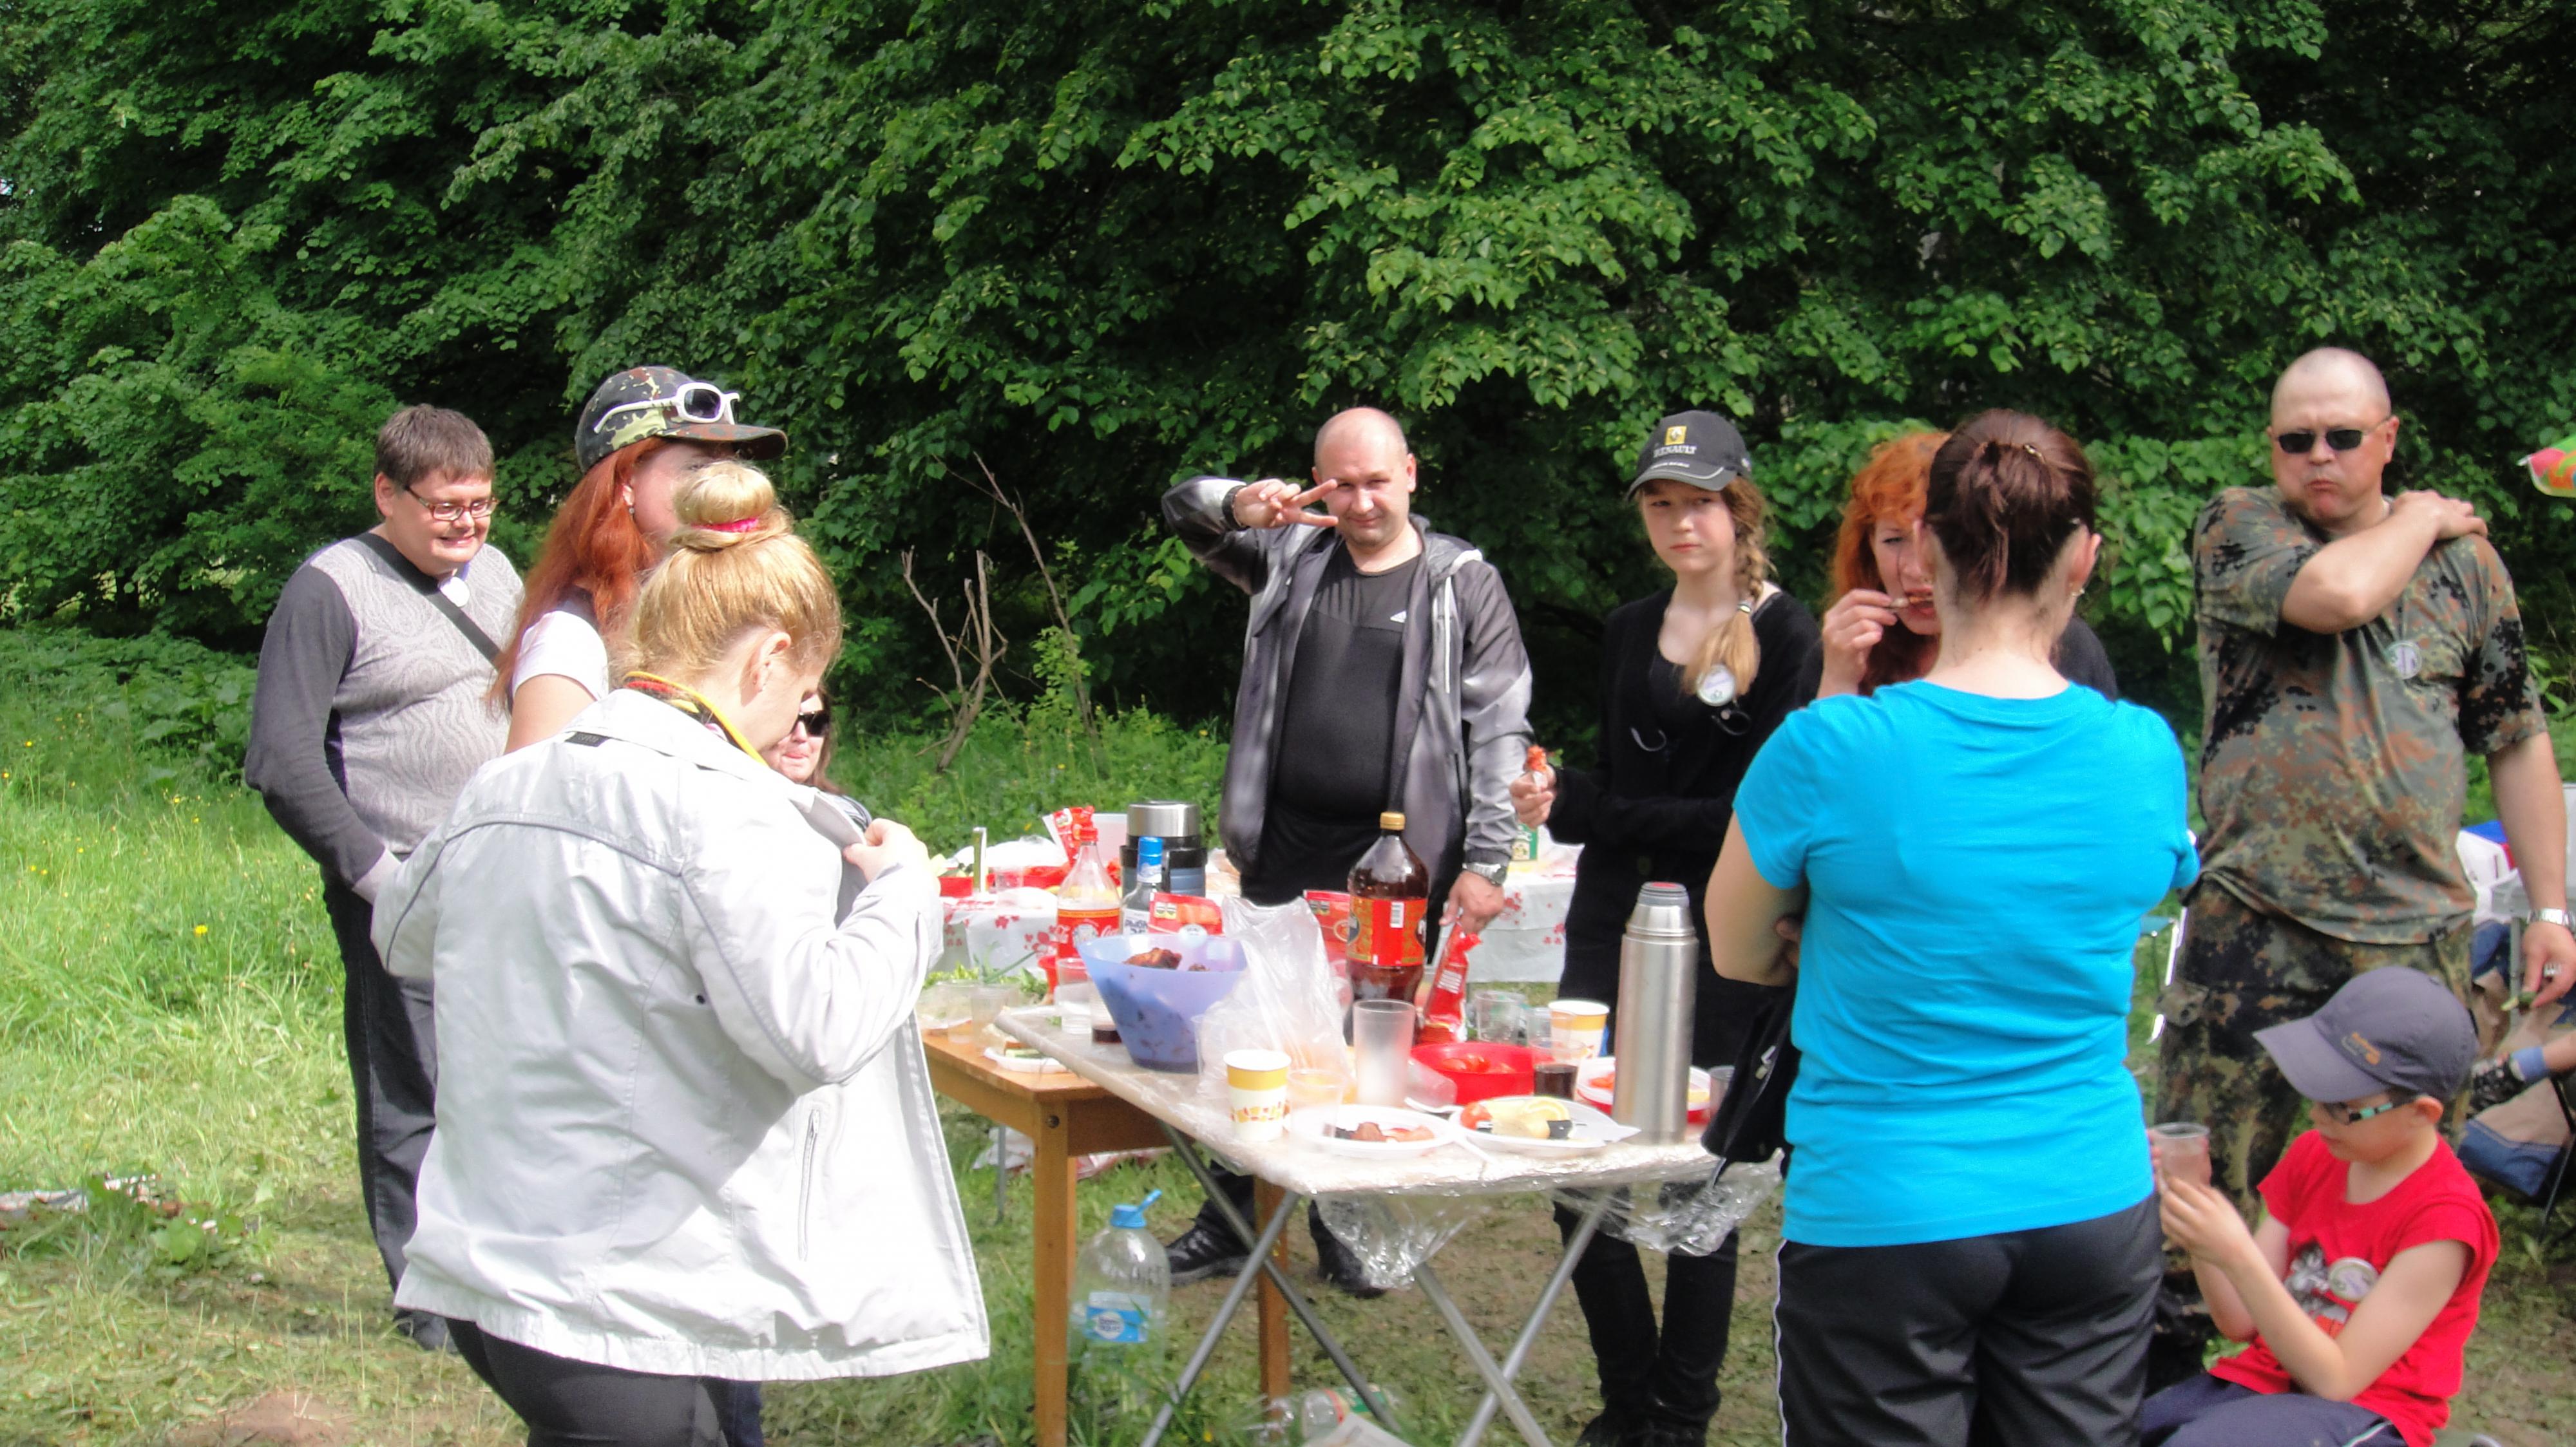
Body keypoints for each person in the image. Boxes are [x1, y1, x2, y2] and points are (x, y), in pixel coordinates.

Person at [374, 462, 985, 1444]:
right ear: (768, 658)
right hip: (615, 1305)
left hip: (488, 1267)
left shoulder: (509, 783)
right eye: (804, 692)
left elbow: (402, 934)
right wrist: (903, 891)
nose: (800, 720)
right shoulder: (726, 811)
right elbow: (818, 1029)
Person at [1705, 410, 2199, 1446]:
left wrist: (1828, 927)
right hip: (2086, 1193)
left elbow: (1738, 946)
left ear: (1924, 548)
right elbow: (2132, 889)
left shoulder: (1829, 745)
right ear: (2083, 557)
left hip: (1886, 1198)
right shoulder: (2143, 750)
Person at [2151, 346, 2571, 1383]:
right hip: (2253, 925)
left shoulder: (2465, 572)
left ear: (2386, 438)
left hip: (2410, 942)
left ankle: (2359, 1407)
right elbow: (2335, 594)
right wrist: (2420, 516)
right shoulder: (2238, 525)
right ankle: (2165, 1402)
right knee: (2196, 1204)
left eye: (2343, 435)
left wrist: (2550, 909)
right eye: (2295, 438)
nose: (2318, 455)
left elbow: (2514, 736)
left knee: (2401, 1210)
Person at [1159, 406, 1533, 1295]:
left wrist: (1488, 861)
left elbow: (1499, 725)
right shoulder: (1288, 556)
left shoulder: (1460, 582)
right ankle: (1229, 1218)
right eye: (1343, 485)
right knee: (1255, 1036)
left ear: (1411, 473)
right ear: (1318, 486)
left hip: (1395, 865)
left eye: (1378, 482)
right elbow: (1182, 512)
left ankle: (1345, 1221)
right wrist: (1244, 504)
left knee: (1367, 1045)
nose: (1362, 503)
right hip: (1280, 845)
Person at [1507, 411, 1821, 1447]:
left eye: (1699, 502)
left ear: (1739, 507)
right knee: (1571, 1161)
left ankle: (1680, 1418)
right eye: (1659, 503)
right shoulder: (1627, 626)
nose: (1680, 522)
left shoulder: (1790, 635)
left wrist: (1593, 806)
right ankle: (1628, 1396)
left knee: (1697, 1180)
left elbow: (1749, 819)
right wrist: (1557, 794)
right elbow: (1611, 786)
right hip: (1607, 921)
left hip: (1723, 935)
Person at [244, 404, 524, 1350]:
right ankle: (430, 1300)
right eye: (445, 507)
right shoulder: (329, 590)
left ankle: (505, 1268)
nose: (466, 524)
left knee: (507, 1076)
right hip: (399, 885)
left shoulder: (498, 572)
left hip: (507, 876)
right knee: (415, 1084)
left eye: (480, 504)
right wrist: (380, 879)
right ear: (387, 494)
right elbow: (281, 759)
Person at [2150, 967, 2497, 1447]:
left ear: (2421, 1113)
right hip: (2265, 1383)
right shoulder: (2315, 1155)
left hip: (2367, 1413)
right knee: (2105, 1431)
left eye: (2340, 1105)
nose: (2316, 1115)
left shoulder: (2445, 1221)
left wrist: (2236, 1253)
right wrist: (2199, 1222)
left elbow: (2336, 1381)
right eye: (2316, 1095)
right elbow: (2239, 1321)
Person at [496, 366, 787, 752]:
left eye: (728, 467)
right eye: (696, 468)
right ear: (626, 483)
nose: (720, 488)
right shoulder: (570, 641)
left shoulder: (708, 612)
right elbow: (535, 788)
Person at [1816, 428, 2119, 698]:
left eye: (1940, 538)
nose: (1916, 568)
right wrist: (1837, 680)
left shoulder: (2071, 649)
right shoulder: (1844, 651)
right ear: (1867, 549)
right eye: (1894, 541)